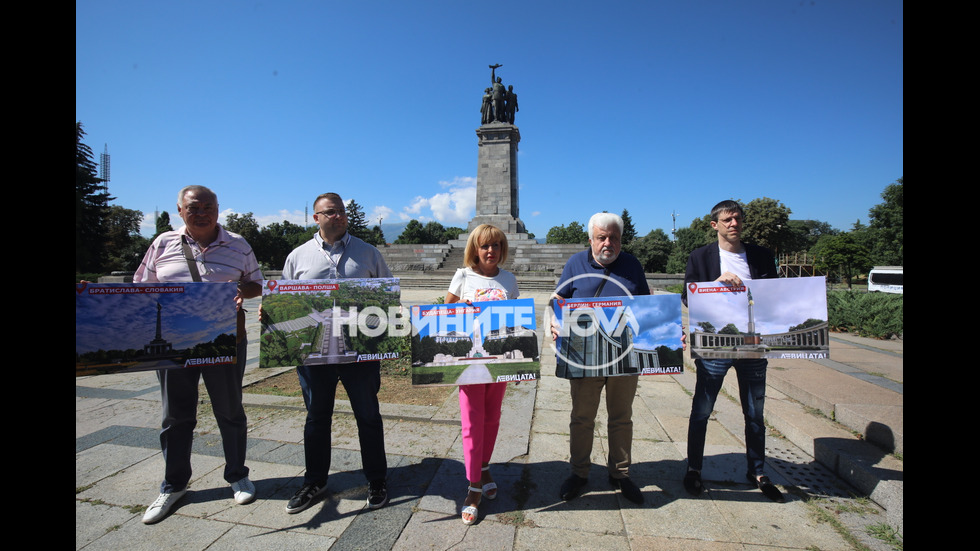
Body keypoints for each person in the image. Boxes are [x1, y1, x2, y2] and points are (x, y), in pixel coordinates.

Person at [134, 185, 263, 524]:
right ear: (180, 210)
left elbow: (256, 283)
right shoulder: (163, 243)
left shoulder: (238, 244)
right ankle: (173, 485)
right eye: (194, 207)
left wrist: (238, 290)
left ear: (218, 209)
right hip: (175, 343)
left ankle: (237, 475)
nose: (202, 211)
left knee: (230, 410)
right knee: (175, 416)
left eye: (209, 205)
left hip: (225, 339)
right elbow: (140, 287)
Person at [281, 192, 392, 514]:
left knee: (368, 416)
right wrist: (271, 315)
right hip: (315, 355)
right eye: (330, 212)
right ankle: (314, 480)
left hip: (359, 354)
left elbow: (388, 299)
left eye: (342, 211)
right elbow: (285, 303)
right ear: (316, 217)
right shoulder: (298, 257)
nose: (338, 216)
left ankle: (377, 479)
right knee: (317, 418)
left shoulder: (368, 253)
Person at [682, 200, 784, 503]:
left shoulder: (762, 256)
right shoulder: (700, 257)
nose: (734, 224)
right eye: (727, 220)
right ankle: (693, 469)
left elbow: (775, 296)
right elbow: (688, 296)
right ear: (715, 225)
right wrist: (714, 285)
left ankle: (757, 471)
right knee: (702, 410)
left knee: (755, 413)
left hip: (754, 344)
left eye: (738, 219)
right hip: (717, 347)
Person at [552, 212, 649, 505]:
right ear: (591, 239)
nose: (608, 243)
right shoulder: (575, 264)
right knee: (582, 417)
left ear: (621, 239)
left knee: (621, 417)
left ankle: (620, 473)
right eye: (601, 237)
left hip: (624, 357)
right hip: (585, 356)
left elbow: (646, 304)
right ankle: (579, 473)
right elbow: (558, 299)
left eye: (614, 238)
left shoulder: (632, 265)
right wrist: (555, 322)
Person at [444, 224, 519, 525]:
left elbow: (516, 325)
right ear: (475, 249)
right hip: (470, 362)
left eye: (496, 246)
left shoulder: (509, 279)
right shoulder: (463, 276)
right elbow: (444, 316)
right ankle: (473, 486)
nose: (491, 251)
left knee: (492, 418)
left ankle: (485, 466)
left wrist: (518, 363)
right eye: (485, 246)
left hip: (498, 361)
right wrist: (459, 307)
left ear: (502, 249)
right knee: (472, 423)